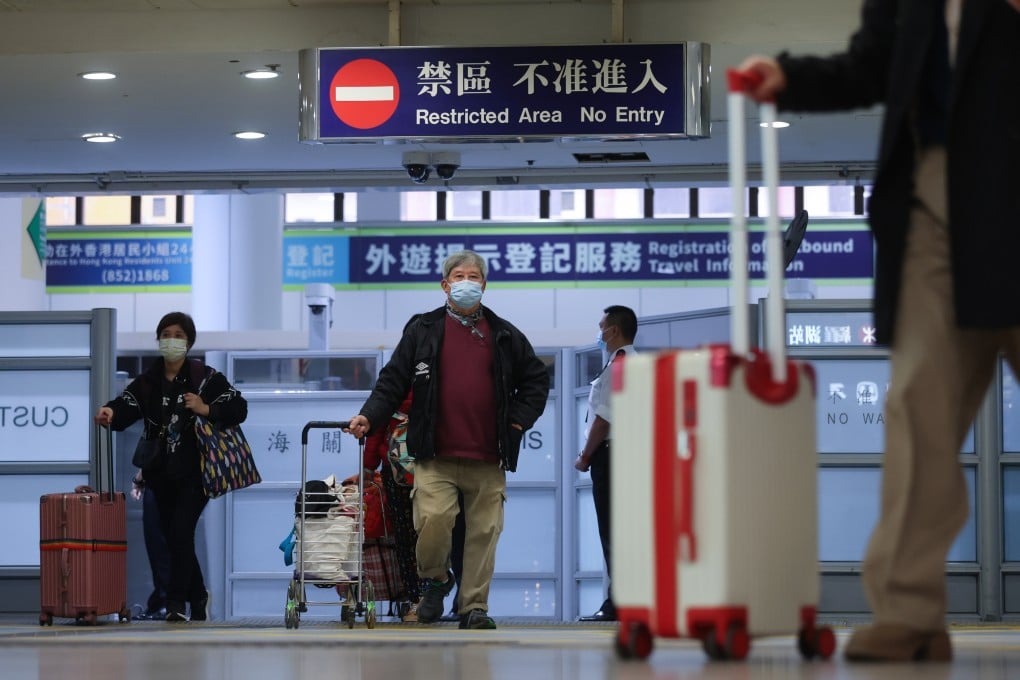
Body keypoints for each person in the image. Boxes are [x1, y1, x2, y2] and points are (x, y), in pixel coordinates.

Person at [737, 0, 1020, 662]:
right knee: (917, 409)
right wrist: (790, 76)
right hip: (936, 200)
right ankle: (909, 611)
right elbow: (872, 65)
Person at [346, 249, 550, 630]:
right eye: (459, 277)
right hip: (435, 454)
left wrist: (517, 422)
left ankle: (474, 607)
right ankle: (437, 578)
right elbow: (392, 381)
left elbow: (537, 380)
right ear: (445, 285)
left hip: (488, 455)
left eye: (474, 277)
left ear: (484, 285)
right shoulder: (423, 329)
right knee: (433, 521)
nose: (466, 283)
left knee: (484, 533)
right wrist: (368, 416)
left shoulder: (504, 334)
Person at [95, 312, 248, 623]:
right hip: (160, 473)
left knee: (179, 532)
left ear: (189, 342)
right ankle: (199, 594)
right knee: (174, 536)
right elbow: (127, 404)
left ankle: (176, 602)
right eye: (166, 334)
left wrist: (206, 408)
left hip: (196, 472)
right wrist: (110, 411)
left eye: (179, 335)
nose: (172, 340)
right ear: (158, 340)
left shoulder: (205, 378)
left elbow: (238, 407)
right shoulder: (148, 381)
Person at [575, 305, 638, 622]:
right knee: (622, 530)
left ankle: (618, 603)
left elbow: (603, 420)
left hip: (610, 455)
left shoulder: (620, 365)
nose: (599, 333)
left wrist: (585, 456)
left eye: (601, 327)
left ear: (613, 330)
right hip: (625, 455)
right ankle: (627, 599)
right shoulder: (628, 362)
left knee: (612, 530)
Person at [130, 472, 172, 621]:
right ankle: (164, 601)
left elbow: (152, 458)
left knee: (157, 544)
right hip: (179, 484)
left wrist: (138, 479)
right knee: (165, 545)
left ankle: (165, 602)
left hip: (161, 484)